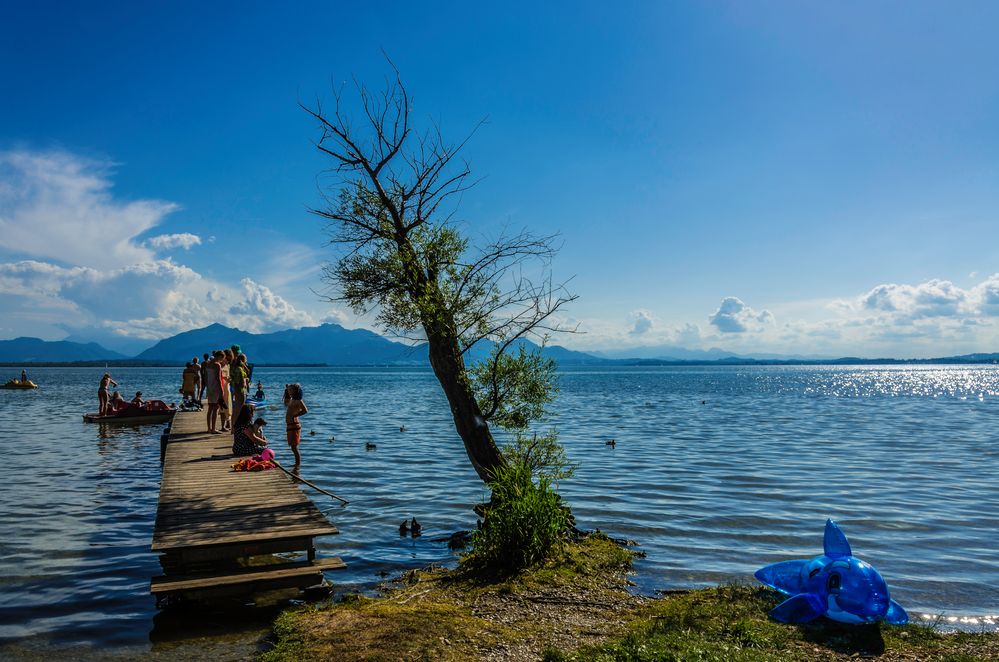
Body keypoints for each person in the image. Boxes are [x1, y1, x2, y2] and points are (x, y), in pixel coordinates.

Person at [285, 383, 308, 468]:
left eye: (291, 390)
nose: (289, 391)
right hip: (290, 425)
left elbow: (305, 410)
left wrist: (295, 415)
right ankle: (296, 466)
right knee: (292, 447)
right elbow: (287, 389)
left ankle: (297, 465)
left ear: (295, 391)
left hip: (294, 425)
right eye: (289, 390)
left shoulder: (299, 400)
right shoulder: (292, 399)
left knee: (294, 448)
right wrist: (288, 387)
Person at [205, 351, 224, 433]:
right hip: (216, 388)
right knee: (216, 408)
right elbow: (218, 379)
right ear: (219, 356)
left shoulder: (208, 364)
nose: (222, 360)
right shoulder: (217, 365)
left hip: (209, 388)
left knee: (210, 409)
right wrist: (222, 390)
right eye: (222, 358)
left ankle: (209, 428)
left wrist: (207, 387)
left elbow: (205, 377)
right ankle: (213, 429)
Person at [230, 352, 249, 430]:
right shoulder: (239, 369)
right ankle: (235, 427)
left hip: (237, 389)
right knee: (239, 409)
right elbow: (240, 381)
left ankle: (233, 427)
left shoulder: (235, 368)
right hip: (240, 390)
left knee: (237, 408)